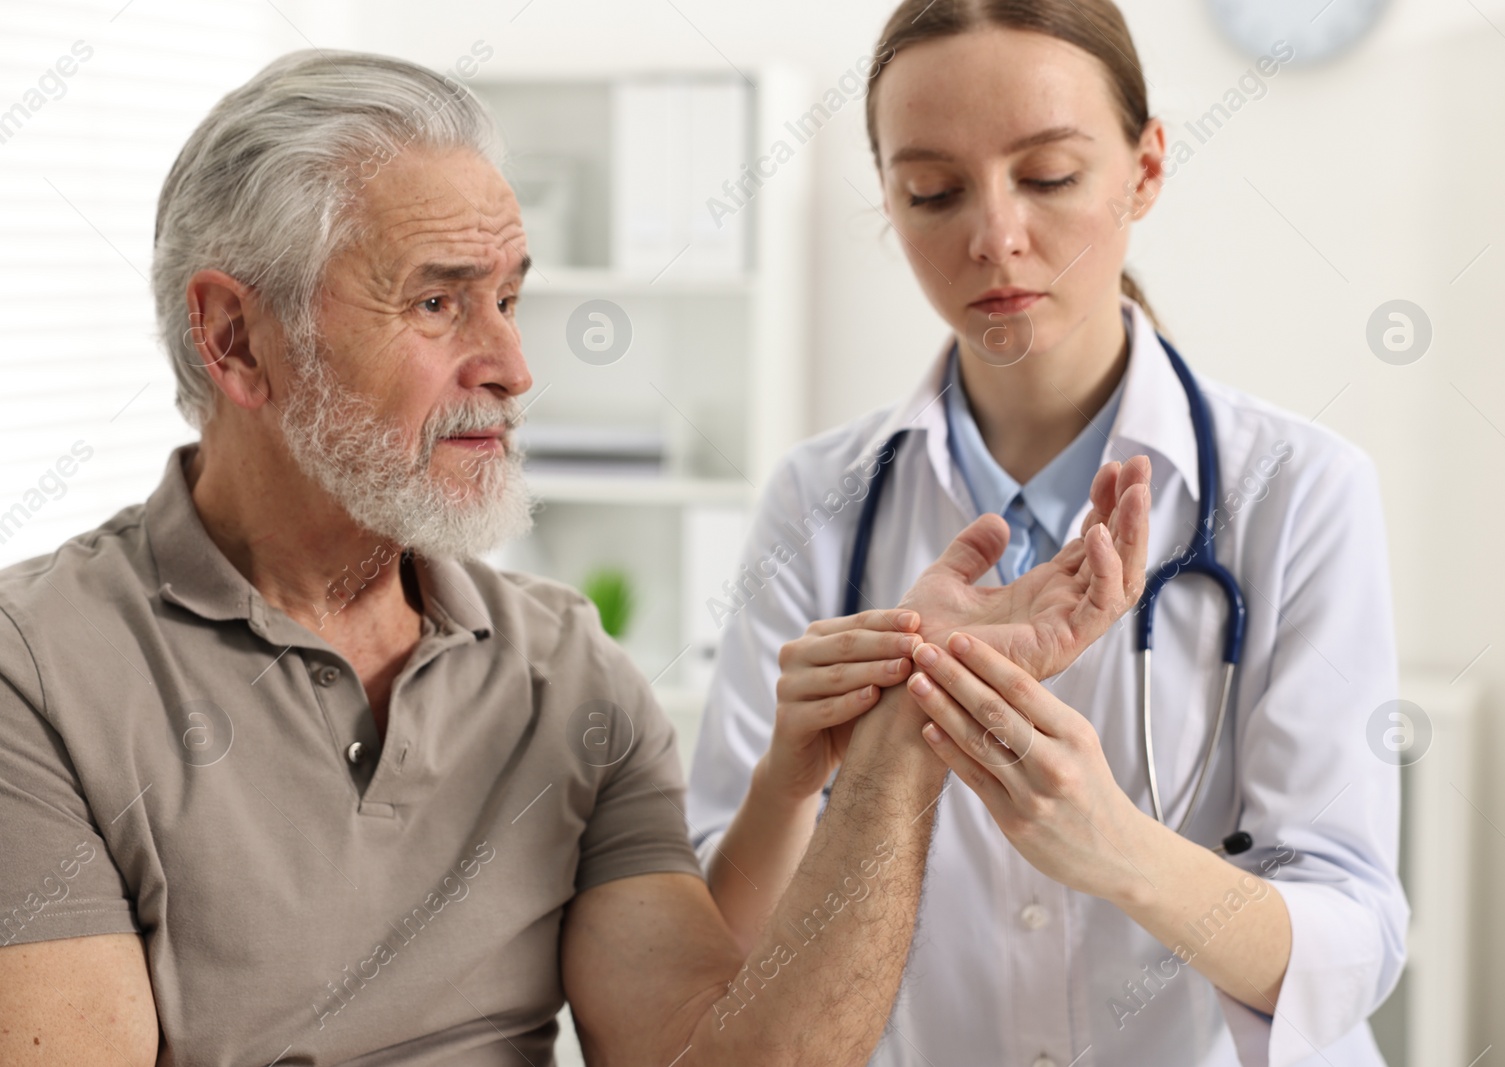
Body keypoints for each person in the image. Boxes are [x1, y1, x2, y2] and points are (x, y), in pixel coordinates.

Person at [0, 49, 1151, 1067]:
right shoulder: (38, 670)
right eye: (440, 301)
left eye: (509, 297)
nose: (512, 363)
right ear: (235, 337)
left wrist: (909, 727)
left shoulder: (568, 670)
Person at [686, 2, 1409, 1065]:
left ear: (1146, 169)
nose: (992, 237)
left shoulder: (1297, 490)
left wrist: (1120, 850)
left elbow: (1353, 941)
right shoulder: (819, 500)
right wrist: (790, 781)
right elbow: (728, 950)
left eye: (1050, 175)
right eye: (931, 191)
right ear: (887, 196)